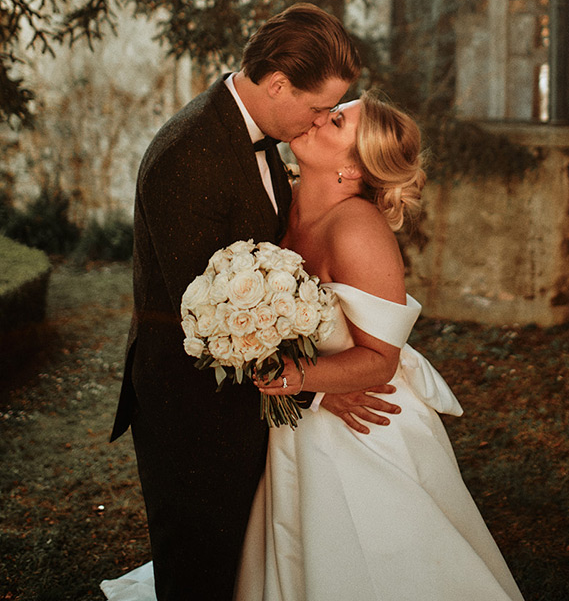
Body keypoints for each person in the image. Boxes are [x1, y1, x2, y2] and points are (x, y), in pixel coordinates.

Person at [104, 90, 526, 601]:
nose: (322, 118)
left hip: (360, 429)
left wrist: (297, 380)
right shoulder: (283, 194)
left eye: (338, 121)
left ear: (352, 168)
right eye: (332, 108)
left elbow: (381, 359)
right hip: (296, 420)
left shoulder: (358, 230)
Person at [105, 4, 400, 601]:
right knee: (199, 570)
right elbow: (212, 316)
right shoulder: (189, 153)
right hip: (191, 405)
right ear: (278, 85)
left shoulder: (270, 142)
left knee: (252, 566)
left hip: (252, 406)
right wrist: (318, 386)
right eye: (320, 107)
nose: (321, 121)